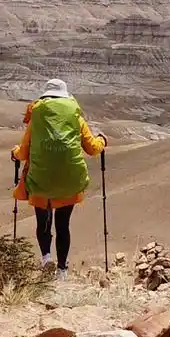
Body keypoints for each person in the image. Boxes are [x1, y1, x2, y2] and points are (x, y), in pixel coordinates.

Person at [11, 78, 107, 280]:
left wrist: (15, 152)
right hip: (69, 180)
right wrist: (103, 141)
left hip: (40, 179)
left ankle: (46, 258)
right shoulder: (75, 117)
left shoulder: (36, 118)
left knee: (43, 221)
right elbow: (92, 148)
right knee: (63, 225)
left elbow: (24, 150)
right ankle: (62, 271)